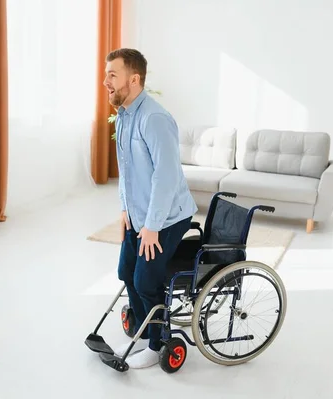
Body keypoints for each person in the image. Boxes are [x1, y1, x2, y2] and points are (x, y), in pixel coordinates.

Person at [103, 48, 198, 369]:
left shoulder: (154, 118)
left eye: (112, 75)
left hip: (167, 216)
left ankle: (158, 343)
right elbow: (127, 170)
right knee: (125, 272)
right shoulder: (126, 115)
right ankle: (143, 333)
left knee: (146, 280)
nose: (106, 82)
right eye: (106, 75)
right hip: (138, 213)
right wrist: (124, 210)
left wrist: (153, 225)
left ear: (134, 78)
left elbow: (167, 176)